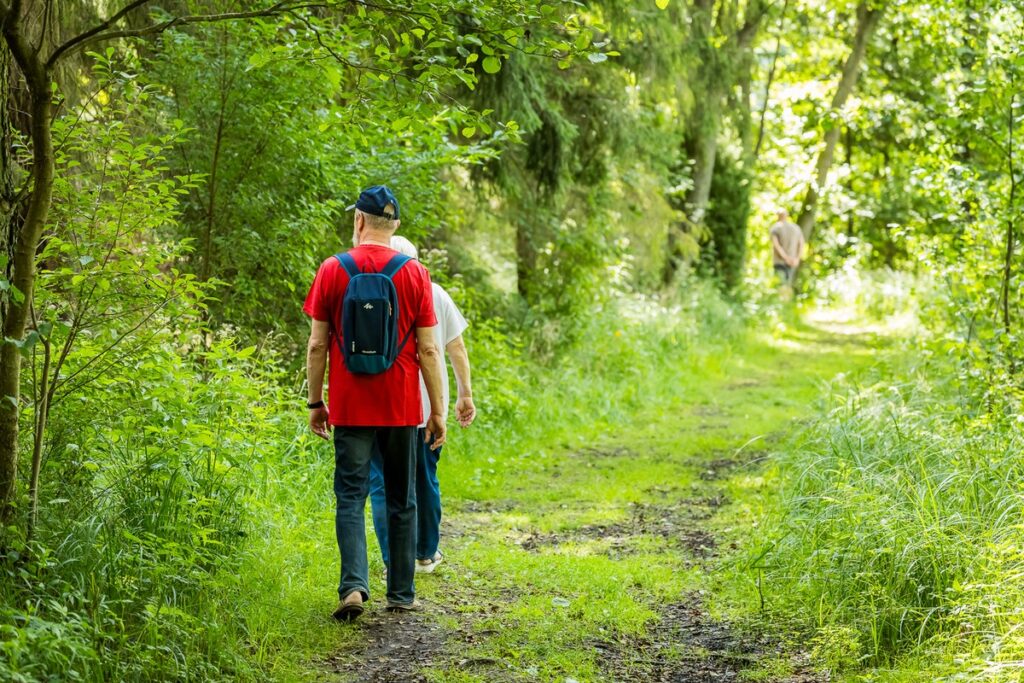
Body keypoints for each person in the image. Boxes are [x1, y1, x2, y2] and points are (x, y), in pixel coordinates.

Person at [304, 185, 447, 621]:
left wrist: (315, 402)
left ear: (359, 221)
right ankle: (401, 593)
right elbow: (428, 350)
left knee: (350, 495)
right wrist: (437, 410)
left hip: (350, 406)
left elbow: (316, 345)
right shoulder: (415, 273)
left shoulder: (333, 269)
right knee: (402, 498)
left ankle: (352, 587)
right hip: (402, 405)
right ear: (395, 226)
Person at [368, 236, 476, 577]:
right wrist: (464, 394)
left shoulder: (372, 293)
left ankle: (392, 561)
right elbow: (454, 347)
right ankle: (426, 553)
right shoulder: (434, 292)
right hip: (427, 406)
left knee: (383, 484)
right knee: (424, 478)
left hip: (381, 404)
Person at [769, 209, 806, 286]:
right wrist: (797, 259)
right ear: (787, 216)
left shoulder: (776, 227)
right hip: (793, 262)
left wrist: (786, 258)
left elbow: (776, 246)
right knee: (787, 285)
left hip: (780, 262)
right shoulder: (796, 228)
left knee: (779, 285)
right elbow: (801, 244)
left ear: (778, 216)